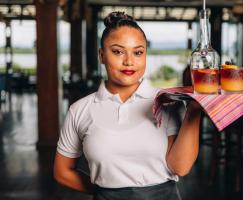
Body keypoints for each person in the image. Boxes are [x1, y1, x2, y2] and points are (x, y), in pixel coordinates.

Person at [54, 11, 201, 200]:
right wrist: (105, 192)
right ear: (101, 55)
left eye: (138, 52)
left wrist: (194, 109)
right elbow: (62, 171)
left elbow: (180, 167)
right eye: (117, 51)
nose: (129, 61)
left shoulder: (167, 102)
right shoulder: (79, 110)